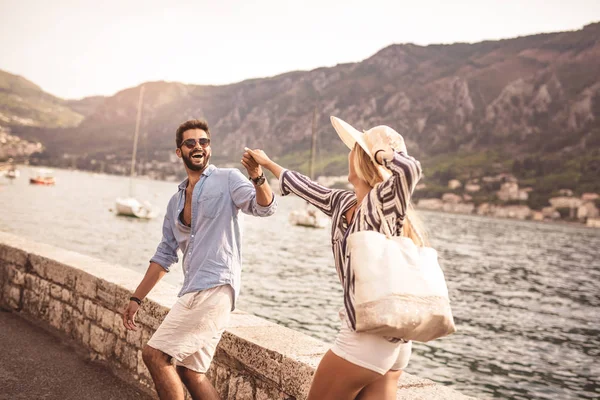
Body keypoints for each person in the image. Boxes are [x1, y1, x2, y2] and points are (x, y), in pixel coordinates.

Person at [242, 116, 425, 400]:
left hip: (366, 338)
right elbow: (305, 186)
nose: (350, 152)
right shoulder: (344, 203)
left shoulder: (383, 204)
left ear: (363, 159)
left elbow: (410, 169)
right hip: (393, 343)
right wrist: (266, 165)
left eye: (356, 148)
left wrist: (376, 150)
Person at [122, 119, 277, 400]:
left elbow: (264, 207)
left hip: (216, 286)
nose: (198, 147)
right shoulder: (175, 202)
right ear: (179, 151)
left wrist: (257, 176)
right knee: (190, 373)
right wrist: (136, 299)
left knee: (155, 355)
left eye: (203, 142)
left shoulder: (228, 179)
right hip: (194, 287)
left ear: (209, 148)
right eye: (190, 143)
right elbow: (164, 255)